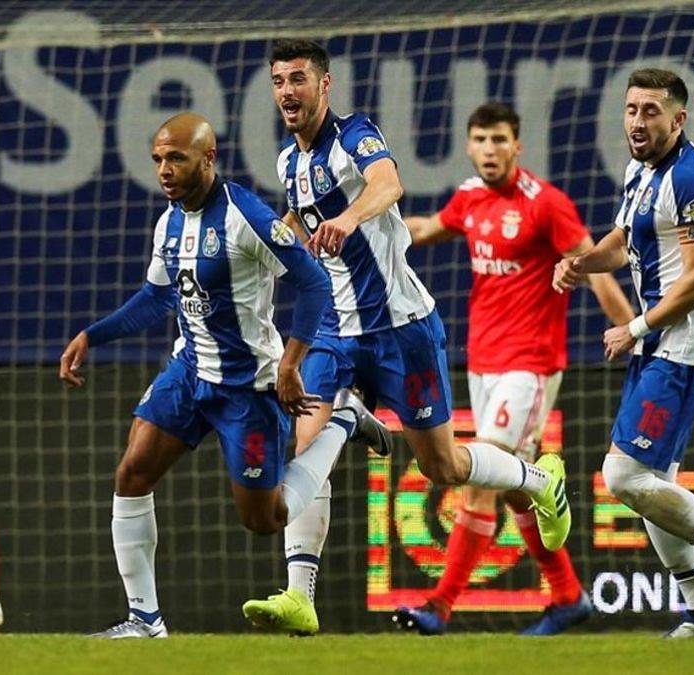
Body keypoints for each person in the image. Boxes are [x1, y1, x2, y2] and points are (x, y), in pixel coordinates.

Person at [241, 39, 569, 636]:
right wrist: (262, 253)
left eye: (298, 79)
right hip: (336, 331)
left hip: (401, 329)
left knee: (442, 467)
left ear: (324, 85)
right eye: (279, 81)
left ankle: (537, 480)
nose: (287, 91)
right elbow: (298, 222)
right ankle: (299, 595)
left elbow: (388, 185)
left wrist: (349, 217)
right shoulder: (290, 162)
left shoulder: (355, 134)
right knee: (304, 443)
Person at [59, 112, 388, 639]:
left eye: (176, 158)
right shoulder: (168, 221)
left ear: (208, 159)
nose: (164, 170)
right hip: (189, 372)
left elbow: (314, 284)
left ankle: (342, 418)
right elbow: (157, 296)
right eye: (158, 159)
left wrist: (290, 361)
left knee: (265, 519)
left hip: (248, 387)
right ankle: (145, 620)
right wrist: (92, 336)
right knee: (132, 474)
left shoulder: (247, 216)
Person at [553, 68, 694, 638]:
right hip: (664, 340)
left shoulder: (690, 179)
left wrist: (634, 326)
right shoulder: (641, 170)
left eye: (650, 111)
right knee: (654, 483)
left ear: (679, 119)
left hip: (690, 342)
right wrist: (581, 263)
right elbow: (624, 240)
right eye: (631, 109)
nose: (637, 121)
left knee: (625, 476)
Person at [393, 102, 633, 636]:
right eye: (480, 139)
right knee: (514, 486)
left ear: (517, 146)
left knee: (479, 480)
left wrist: (634, 332)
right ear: (469, 145)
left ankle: (439, 605)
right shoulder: (470, 199)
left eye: (499, 139)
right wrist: (363, 228)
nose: (489, 149)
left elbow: (595, 270)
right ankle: (568, 596)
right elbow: (427, 227)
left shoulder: (546, 204)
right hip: (482, 364)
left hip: (530, 365)